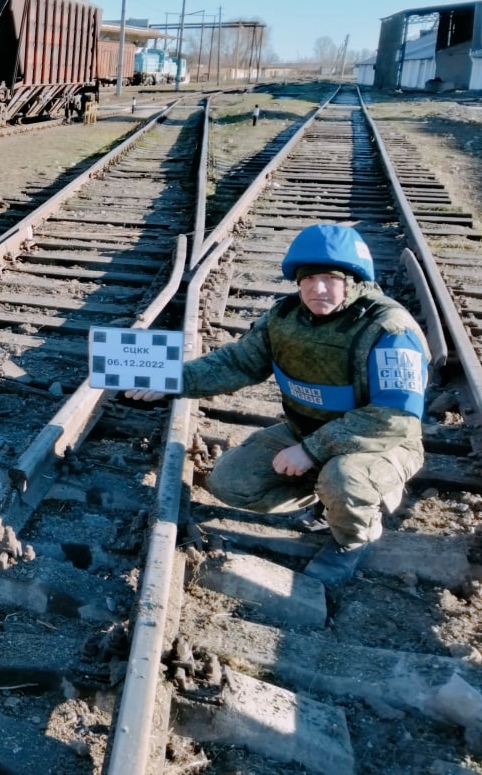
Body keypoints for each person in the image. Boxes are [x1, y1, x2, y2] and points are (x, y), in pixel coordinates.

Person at [125, 223, 428, 585]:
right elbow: (237, 363)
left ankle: (354, 537)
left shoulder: (389, 329)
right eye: (308, 278)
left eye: (330, 279)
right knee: (230, 483)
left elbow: (394, 418)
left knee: (345, 477)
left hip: (383, 444)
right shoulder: (284, 318)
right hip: (305, 432)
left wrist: (313, 451)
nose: (318, 288)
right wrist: (171, 379)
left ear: (353, 280)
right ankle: (329, 499)